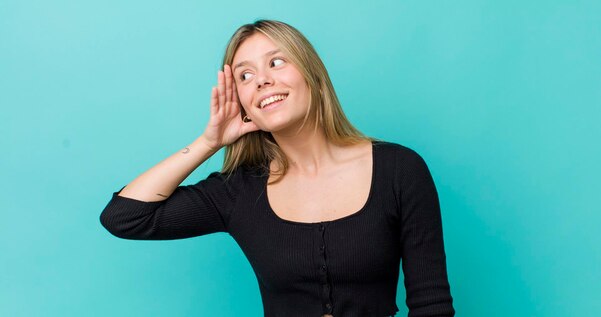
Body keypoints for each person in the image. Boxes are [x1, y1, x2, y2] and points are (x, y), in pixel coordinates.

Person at [100, 19, 455, 317]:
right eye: (245, 75)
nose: (262, 80)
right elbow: (125, 217)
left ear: (313, 75)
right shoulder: (238, 191)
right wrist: (209, 142)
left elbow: (432, 304)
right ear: (243, 103)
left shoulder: (399, 170)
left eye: (276, 62)